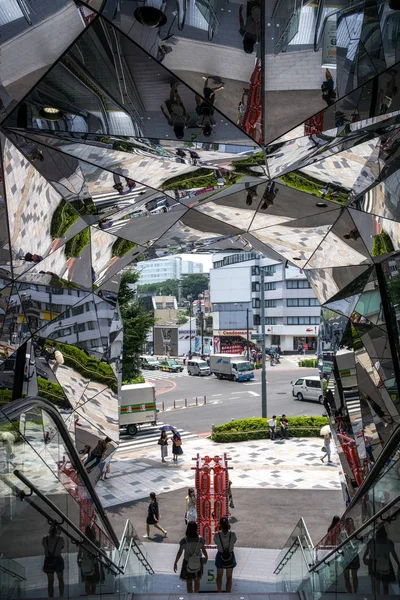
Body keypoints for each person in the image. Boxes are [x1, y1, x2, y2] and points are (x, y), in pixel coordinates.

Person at [363, 525, 400, 595]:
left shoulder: (372, 542)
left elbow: (366, 551)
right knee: (385, 585)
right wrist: (398, 563)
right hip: (385, 563)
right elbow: (394, 554)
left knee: (374, 583)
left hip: (373, 562)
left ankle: (376, 596)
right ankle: (384, 597)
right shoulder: (389, 542)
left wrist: (364, 558)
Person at [174, 521, 208, 593]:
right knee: (197, 580)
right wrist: (206, 557)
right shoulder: (200, 539)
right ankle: (196, 595)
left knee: (189, 582)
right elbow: (203, 549)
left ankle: (190, 596)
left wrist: (176, 562)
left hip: (187, 562)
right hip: (198, 561)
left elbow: (180, 552)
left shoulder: (184, 541)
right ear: (196, 529)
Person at [78, 525, 104, 596]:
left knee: (87, 584)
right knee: (93, 585)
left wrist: (80, 564)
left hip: (85, 564)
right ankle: (92, 597)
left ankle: (89, 596)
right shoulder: (96, 543)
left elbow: (79, 556)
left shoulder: (82, 543)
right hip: (94, 564)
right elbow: (99, 555)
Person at [213, 517, 237, 593]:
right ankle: (228, 592)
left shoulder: (217, 535)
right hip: (230, 555)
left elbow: (216, 542)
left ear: (220, 525)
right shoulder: (233, 534)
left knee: (219, 576)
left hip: (220, 556)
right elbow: (234, 541)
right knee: (229, 577)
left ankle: (219, 592)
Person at [42, 523, 65, 598]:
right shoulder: (60, 538)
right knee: (60, 579)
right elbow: (62, 546)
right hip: (58, 559)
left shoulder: (45, 538)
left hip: (48, 560)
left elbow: (44, 545)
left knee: (50, 581)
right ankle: (61, 595)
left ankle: (51, 597)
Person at [340, 517, 360, 593]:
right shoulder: (343, 533)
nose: (350, 525)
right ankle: (350, 592)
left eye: (351, 523)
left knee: (354, 576)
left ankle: (355, 592)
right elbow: (340, 543)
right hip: (346, 557)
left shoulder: (356, 533)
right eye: (348, 523)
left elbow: (358, 544)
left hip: (354, 556)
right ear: (346, 525)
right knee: (346, 577)